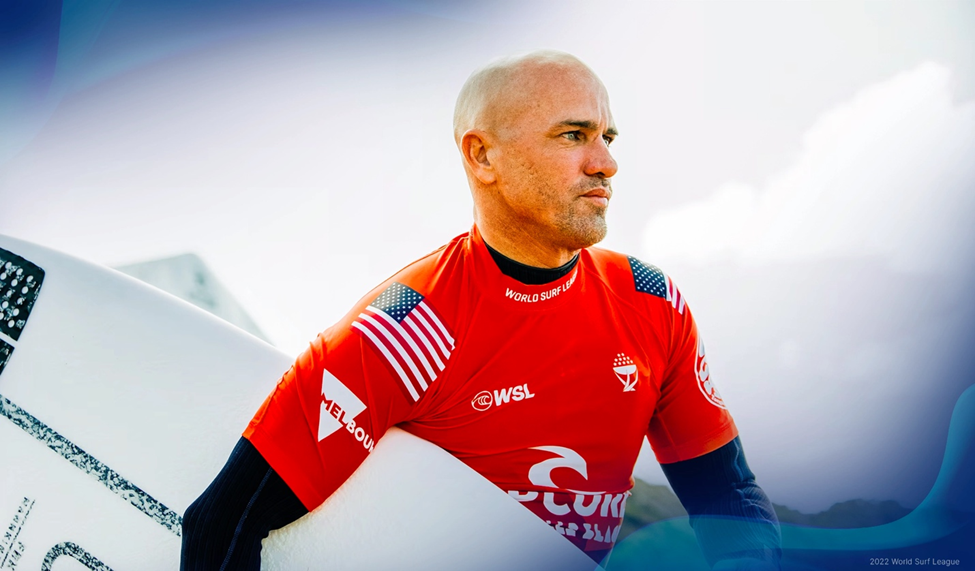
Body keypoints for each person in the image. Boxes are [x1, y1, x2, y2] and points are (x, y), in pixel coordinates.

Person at [181, 50, 781, 570]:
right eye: (573, 135)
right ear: (483, 156)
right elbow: (221, 525)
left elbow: (728, 495)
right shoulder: (409, 329)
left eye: (608, 137)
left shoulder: (653, 306)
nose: (605, 163)